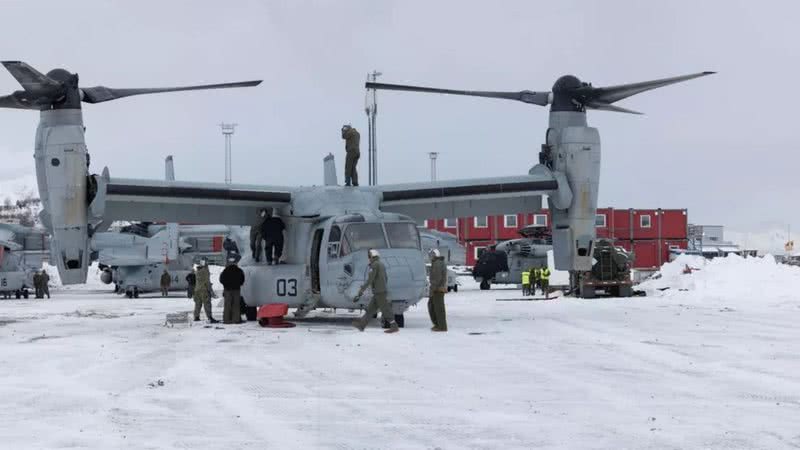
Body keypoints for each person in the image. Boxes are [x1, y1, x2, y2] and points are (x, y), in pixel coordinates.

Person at [352, 249, 398, 333]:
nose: (368, 258)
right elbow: (386, 278)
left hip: (379, 292)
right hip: (379, 291)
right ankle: (362, 325)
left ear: (372, 257)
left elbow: (370, 279)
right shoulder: (381, 264)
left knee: (385, 309)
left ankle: (394, 326)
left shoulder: (374, 265)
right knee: (370, 309)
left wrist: (362, 290)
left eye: (369, 257)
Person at [219, 256, 245, 324]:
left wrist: (225, 285)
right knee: (236, 305)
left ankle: (226, 320)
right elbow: (242, 279)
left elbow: (221, 279)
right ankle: (236, 319)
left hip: (227, 290)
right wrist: (239, 284)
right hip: (236, 289)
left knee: (227, 305)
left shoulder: (225, 270)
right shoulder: (239, 270)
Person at [428, 249, 448, 332]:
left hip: (437, 289)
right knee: (432, 306)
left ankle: (442, 326)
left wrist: (433, 288)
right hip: (437, 288)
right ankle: (437, 324)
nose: (430, 256)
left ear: (435, 255)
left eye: (431, 254)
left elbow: (437, 278)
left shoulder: (437, 264)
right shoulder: (437, 263)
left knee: (438, 308)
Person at [192, 258, 218, 323]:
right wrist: (211, 292)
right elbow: (207, 282)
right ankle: (210, 317)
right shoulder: (205, 270)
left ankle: (196, 317)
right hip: (204, 290)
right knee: (207, 304)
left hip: (197, 290)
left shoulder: (197, 271)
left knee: (198, 304)